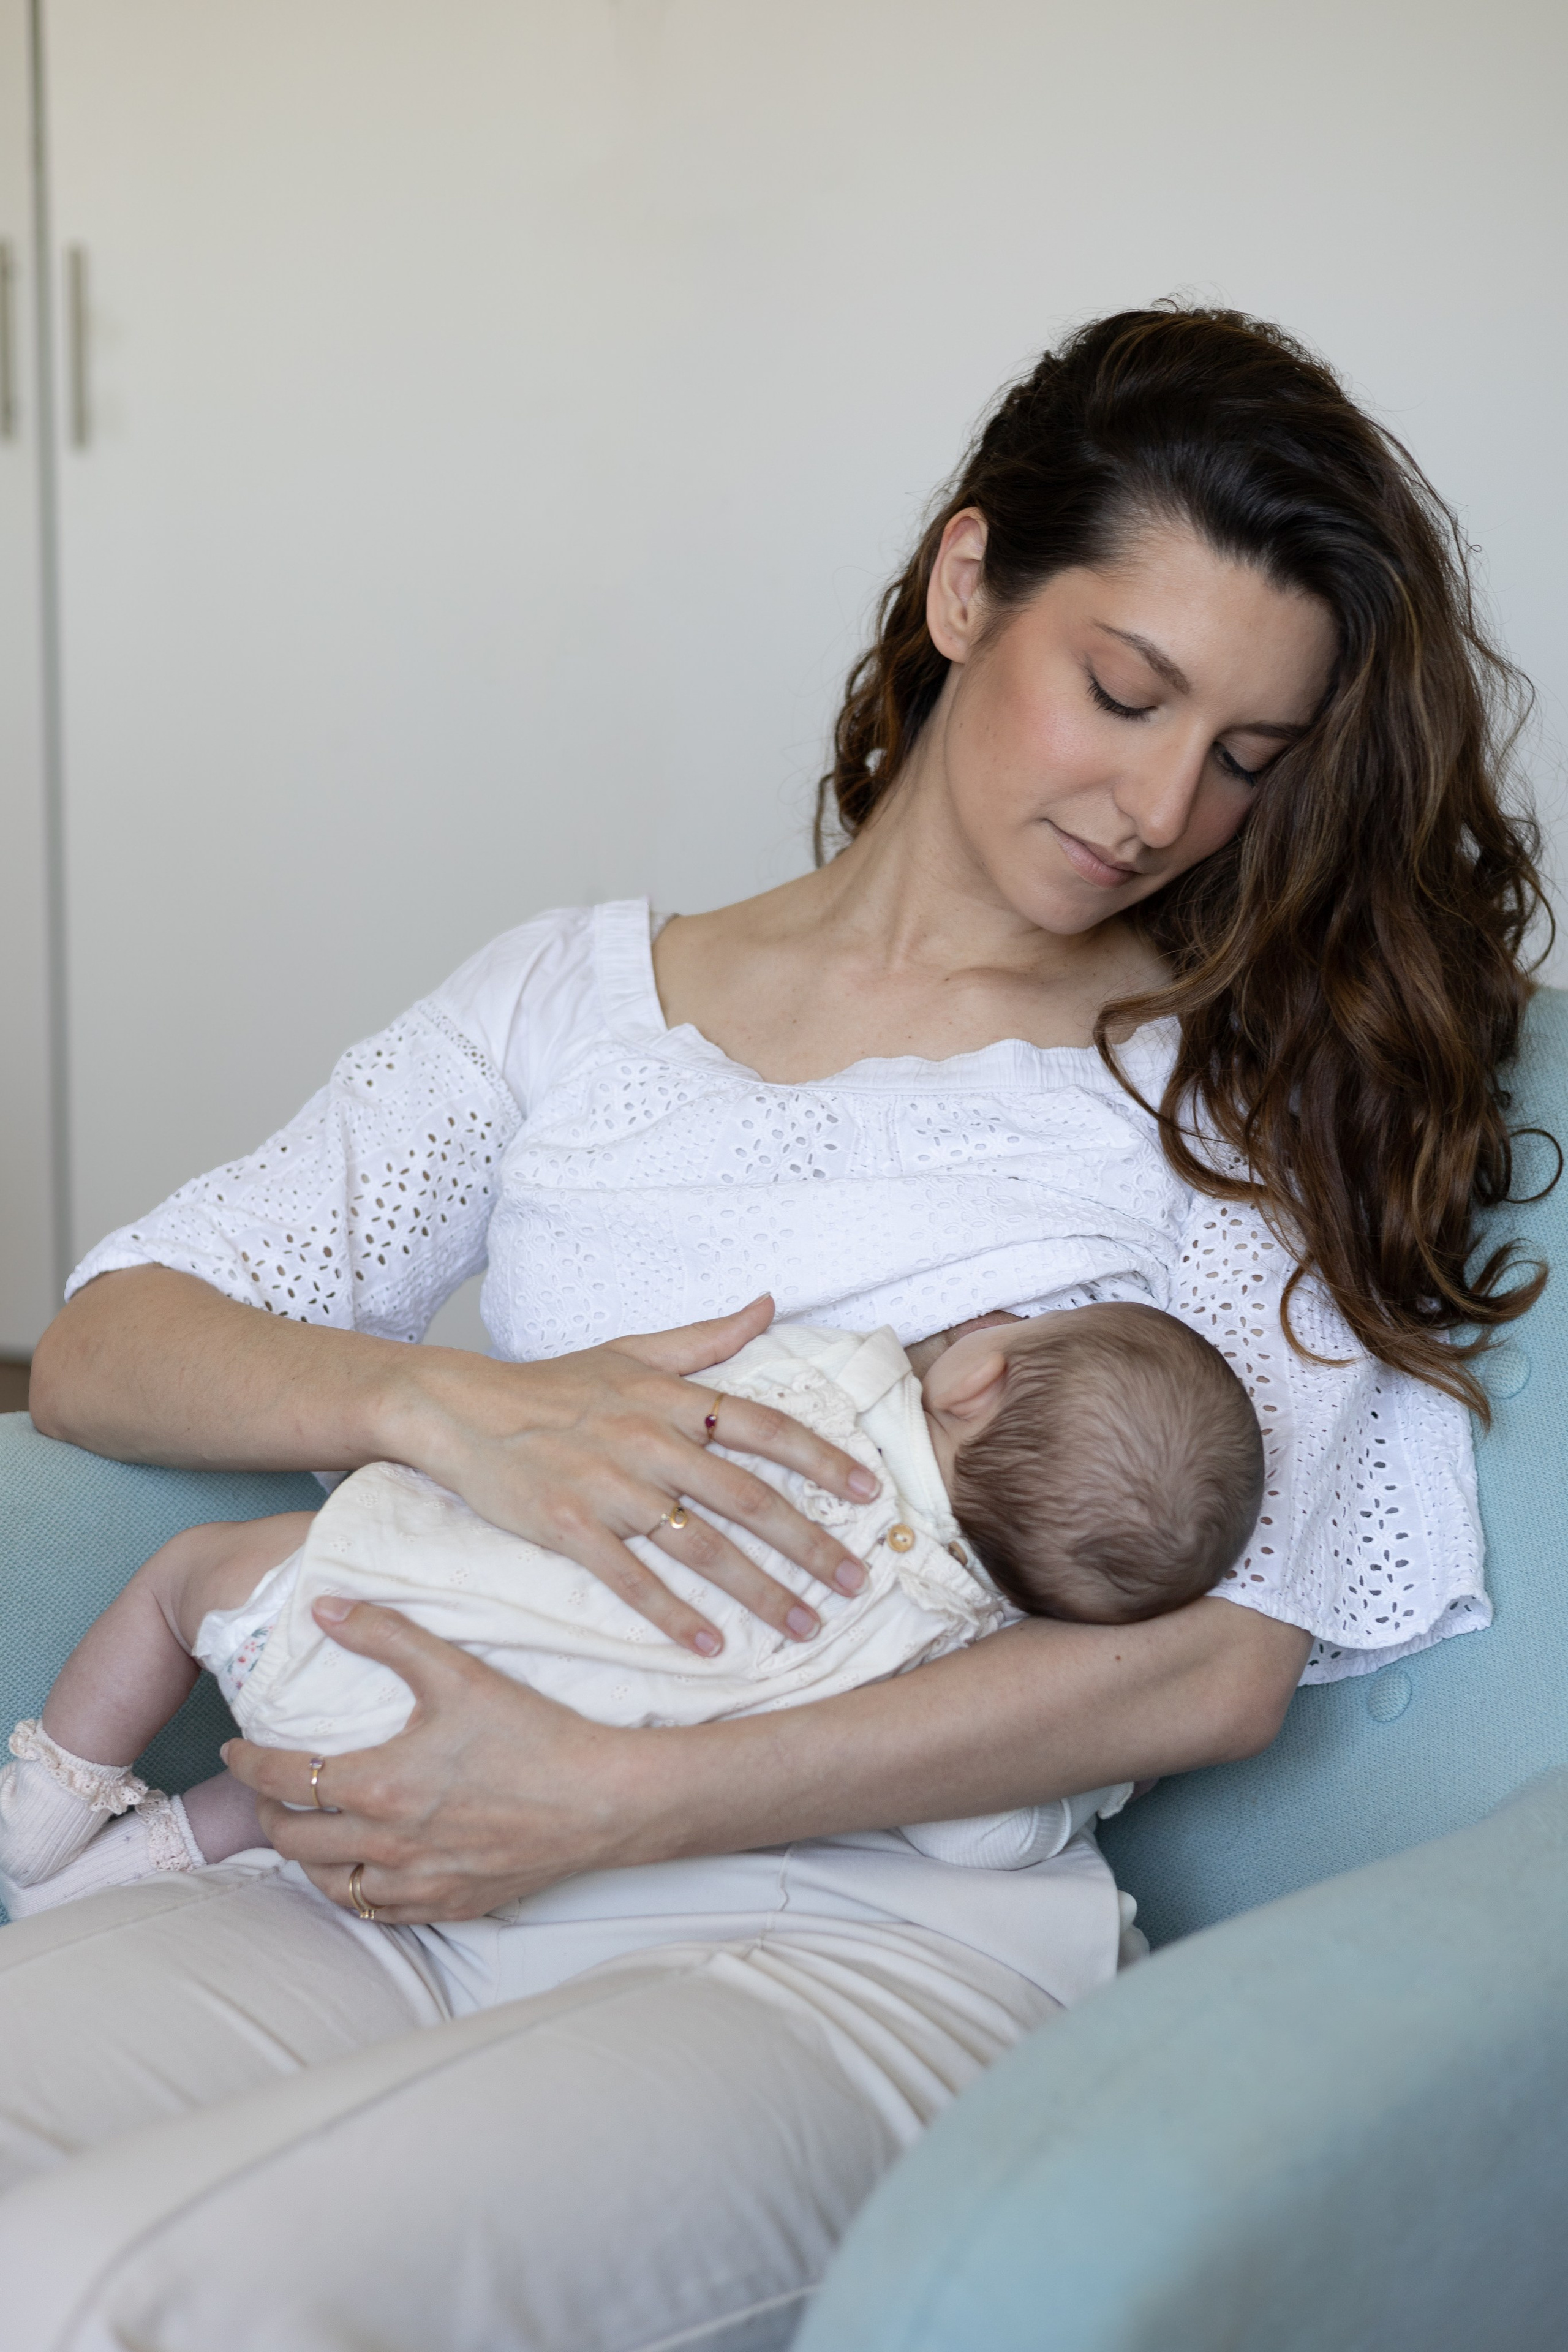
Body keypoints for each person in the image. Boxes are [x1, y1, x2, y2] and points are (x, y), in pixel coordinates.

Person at [0, 306, 1544, 2351]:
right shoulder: (563, 1002)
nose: (1167, 803)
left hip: (837, 1949)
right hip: (380, 1872)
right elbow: (112, 1339)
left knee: (98, 2291)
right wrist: (455, 1407)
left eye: (1245, 759)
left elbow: (1213, 1669)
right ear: (970, 581)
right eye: (1124, 689)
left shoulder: (1240, 1091)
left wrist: (615, 1802)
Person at [0, 1302, 1264, 1914]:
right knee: (292, 1784)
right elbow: (981, 1839)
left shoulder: (834, 1383)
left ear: (980, 1365)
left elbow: (646, 1387)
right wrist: (1098, 1789)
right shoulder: (955, 1661)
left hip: (342, 1624)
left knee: (189, 1579)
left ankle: (51, 1799)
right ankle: (149, 1864)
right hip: (456, 1790)